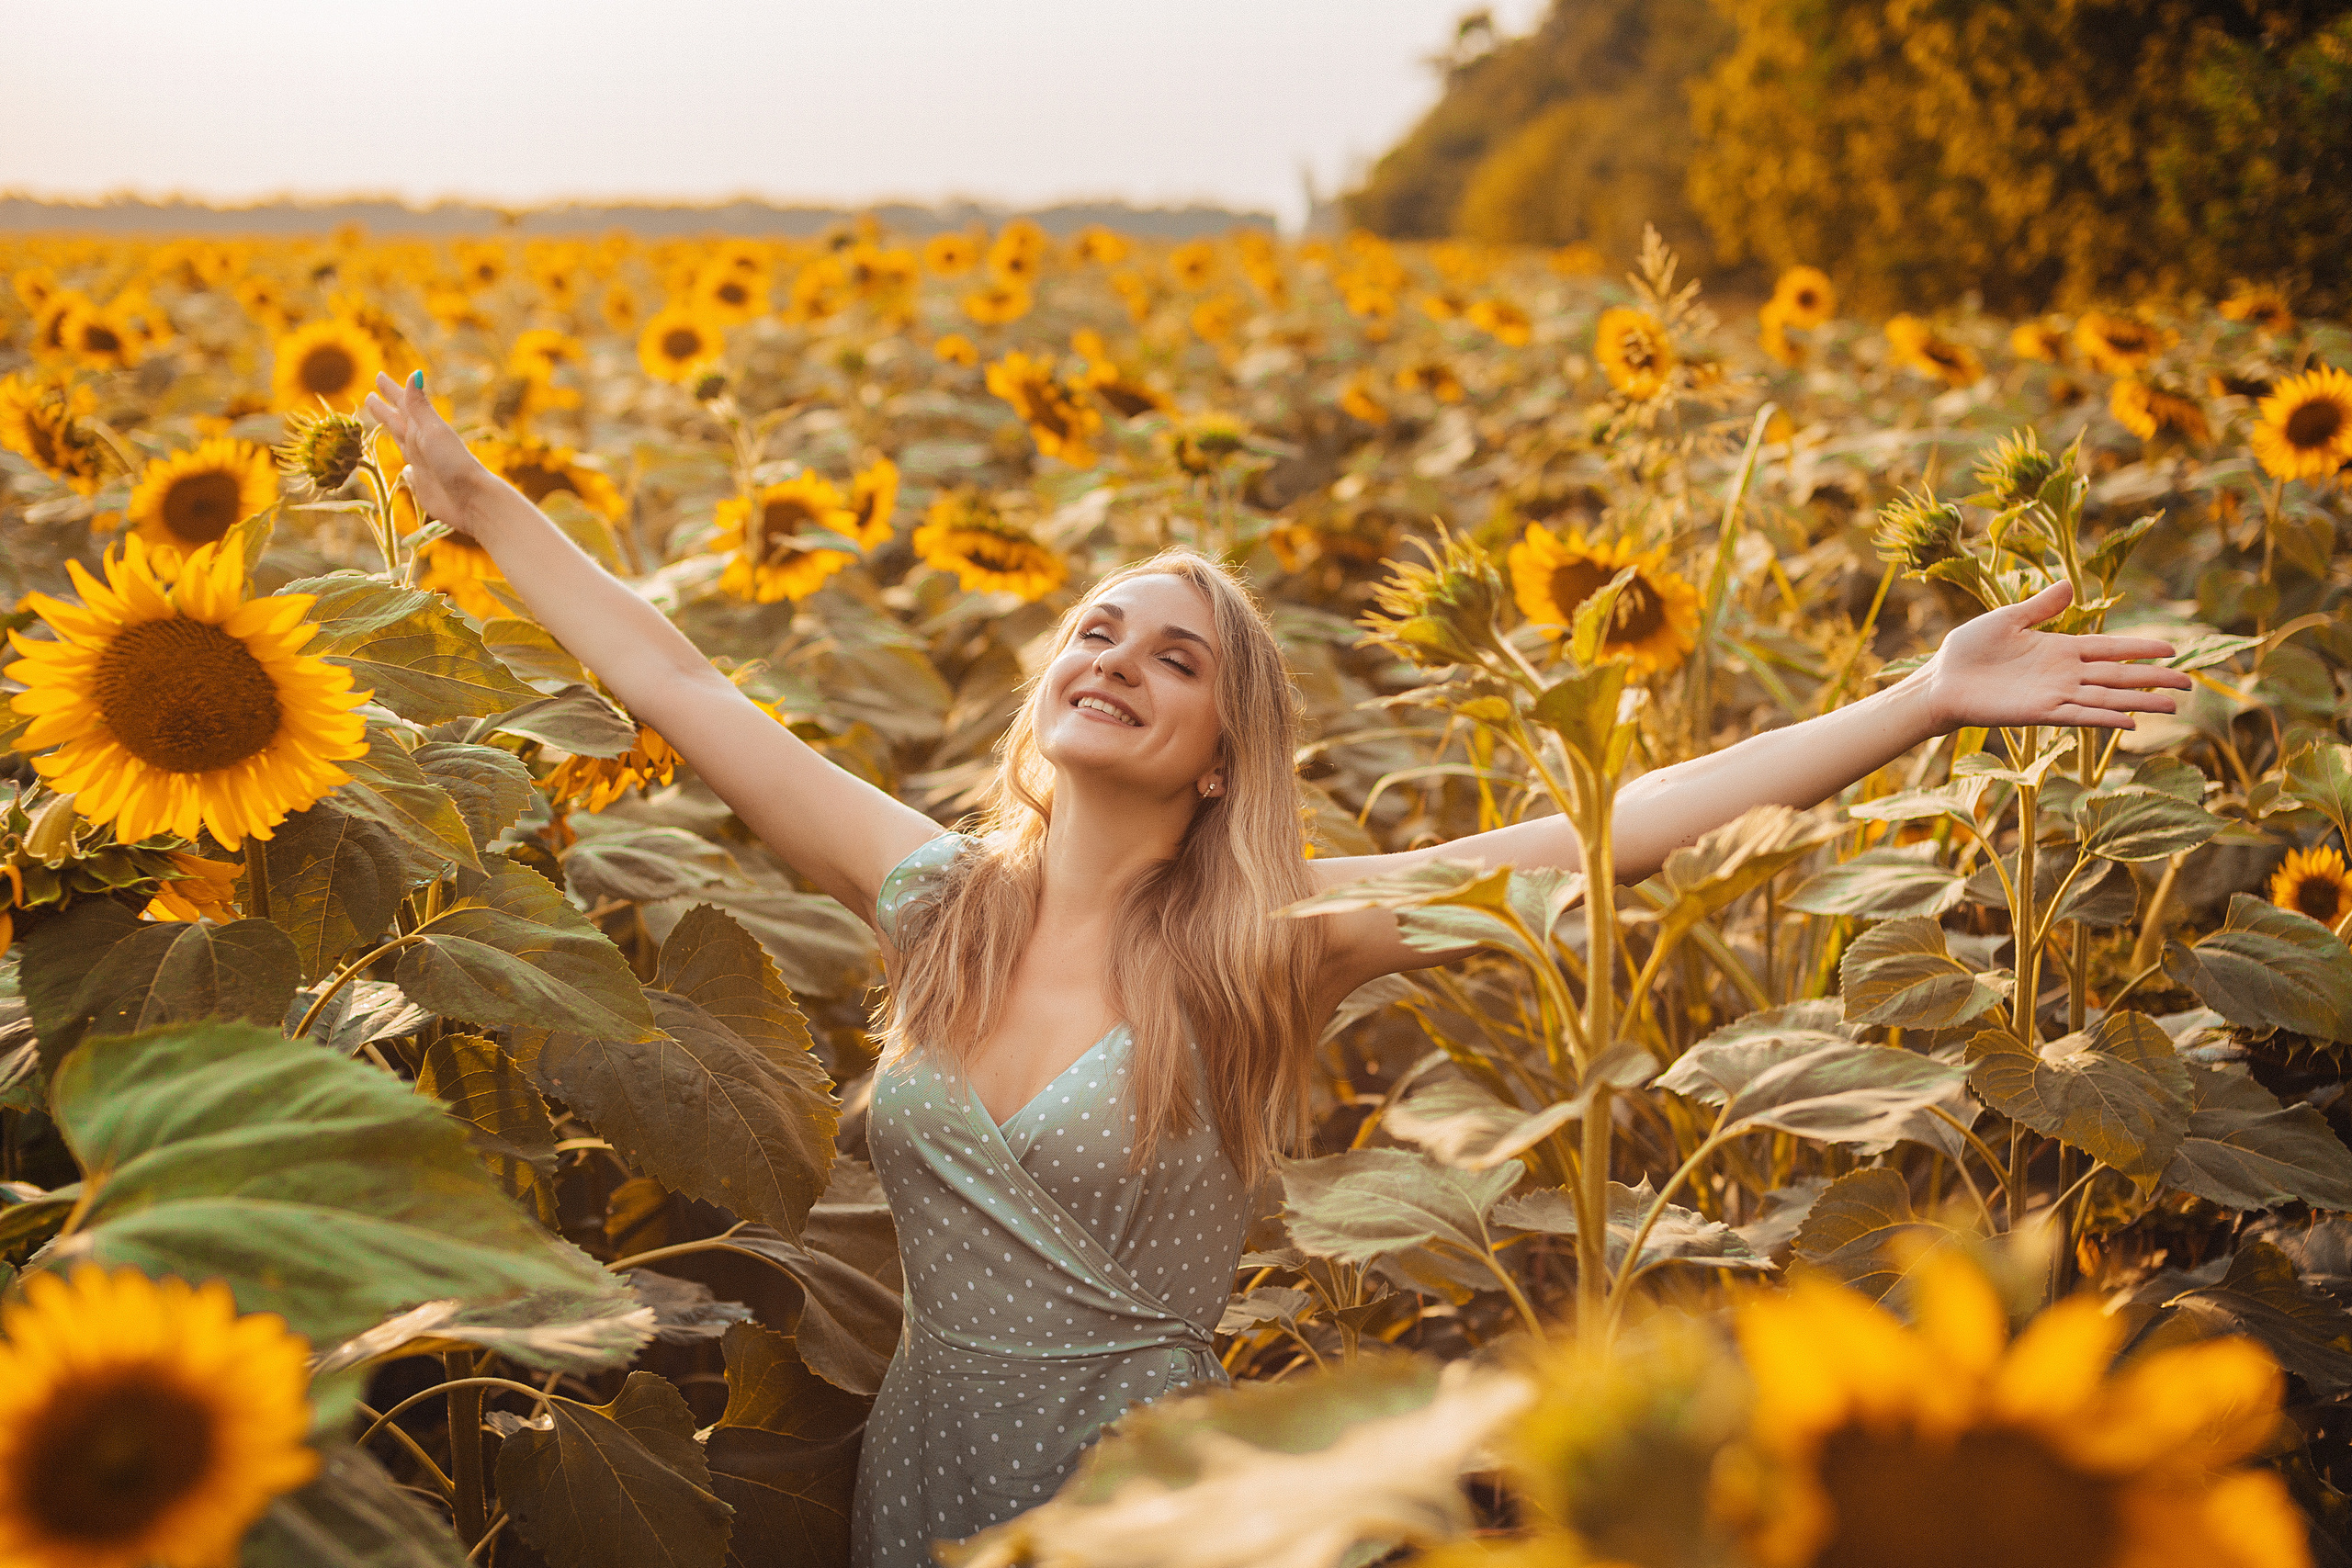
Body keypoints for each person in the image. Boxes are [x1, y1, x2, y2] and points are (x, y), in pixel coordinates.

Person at [365, 370, 2190, 1568]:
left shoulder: (1261, 946)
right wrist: (481, 506)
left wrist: (1922, 699)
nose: (1114, 658)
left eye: (1171, 658)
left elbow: (1599, 835)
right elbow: (684, 690)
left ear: (1221, 750)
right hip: (909, 1480)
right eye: (1096, 629)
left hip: (1158, 1507)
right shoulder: (934, 899)